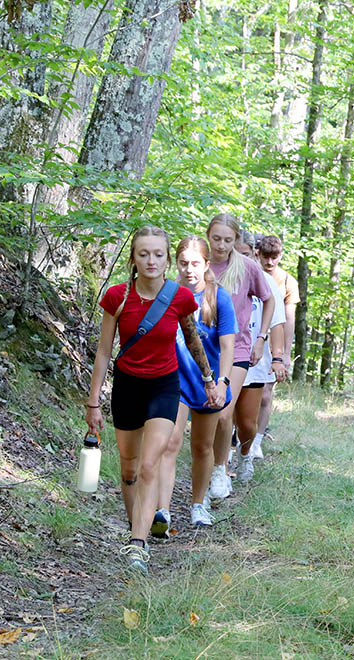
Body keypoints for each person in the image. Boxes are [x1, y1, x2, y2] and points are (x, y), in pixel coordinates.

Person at [85, 226, 221, 576]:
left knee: (149, 466)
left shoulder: (179, 298)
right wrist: (92, 402)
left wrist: (208, 379)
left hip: (164, 387)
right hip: (127, 387)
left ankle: (138, 546)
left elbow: (192, 339)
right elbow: (103, 352)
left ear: (166, 260)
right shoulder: (116, 297)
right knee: (129, 469)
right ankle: (137, 531)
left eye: (158, 254)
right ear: (133, 259)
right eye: (143, 254)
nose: (151, 260)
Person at [152, 237, 236, 533]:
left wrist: (223, 382)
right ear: (176, 264)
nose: (189, 270)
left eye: (195, 264)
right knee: (169, 443)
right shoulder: (167, 295)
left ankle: (198, 505)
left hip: (209, 383)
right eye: (184, 263)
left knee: (202, 447)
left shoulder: (218, 298)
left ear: (206, 265)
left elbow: (228, 346)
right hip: (173, 379)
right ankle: (161, 511)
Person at [204, 215, 279, 501]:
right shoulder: (201, 265)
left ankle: (224, 468)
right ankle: (211, 467)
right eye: (216, 238)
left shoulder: (247, 267)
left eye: (227, 239)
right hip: (204, 350)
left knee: (225, 413)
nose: (221, 245)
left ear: (236, 240)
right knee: (210, 414)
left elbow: (270, 299)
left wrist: (261, 337)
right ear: (208, 236)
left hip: (238, 349)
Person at [237, 253, 286, 476]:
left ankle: (246, 450)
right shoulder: (219, 276)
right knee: (224, 415)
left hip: (256, 359)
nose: (241, 258)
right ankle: (220, 467)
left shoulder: (266, 283)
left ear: (253, 254)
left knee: (247, 421)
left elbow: (278, 322)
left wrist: (278, 357)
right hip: (228, 356)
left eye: (245, 253)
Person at [253, 235, 298, 458]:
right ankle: (236, 437)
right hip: (251, 339)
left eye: (274, 257)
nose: (270, 262)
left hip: (274, 343)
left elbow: (288, 319)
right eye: (266, 257)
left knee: (265, 394)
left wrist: (285, 353)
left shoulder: (288, 282)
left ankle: (257, 440)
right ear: (257, 254)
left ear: (280, 256)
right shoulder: (250, 275)